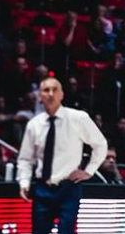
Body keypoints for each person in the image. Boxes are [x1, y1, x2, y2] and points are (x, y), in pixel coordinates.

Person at [16, 78, 107, 234]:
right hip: (42, 188)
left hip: (68, 187)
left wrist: (88, 171)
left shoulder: (78, 118)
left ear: (62, 94)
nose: (50, 94)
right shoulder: (34, 124)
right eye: (46, 90)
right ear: (40, 96)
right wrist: (24, 181)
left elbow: (100, 144)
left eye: (55, 90)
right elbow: (25, 158)